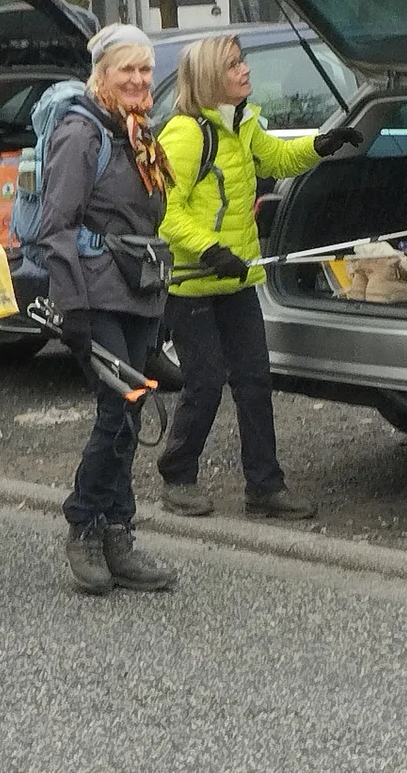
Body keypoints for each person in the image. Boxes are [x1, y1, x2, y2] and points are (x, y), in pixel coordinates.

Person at [155, 34, 362, 519]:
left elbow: (276, 159)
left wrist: (322, 144)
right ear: (210, 78)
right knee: (204, 382)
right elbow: (166, 211)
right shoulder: (184, 135)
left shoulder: (243, 123)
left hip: (239, 279)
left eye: (242, 62)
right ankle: (178, 474)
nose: (245, 71)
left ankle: (265, 487)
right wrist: (210, 250)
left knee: (253, 381)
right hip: (192, 284)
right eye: (234, 65)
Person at [40, 27, 178, 595]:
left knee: (132, 412)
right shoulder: (81, 134)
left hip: (137, 296)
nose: (139, 81)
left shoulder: (137, 133)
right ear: (101, 73)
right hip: (95, 296)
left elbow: (144, 220)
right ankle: (83, 524)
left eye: (146, 71)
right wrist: (71, 308)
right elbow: (55, 228)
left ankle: (118, 534)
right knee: (118, 409)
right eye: (128, 70)